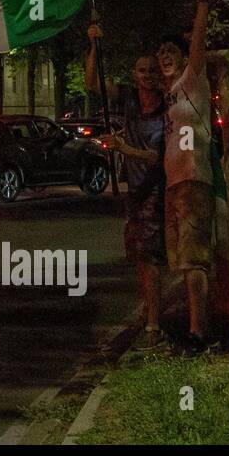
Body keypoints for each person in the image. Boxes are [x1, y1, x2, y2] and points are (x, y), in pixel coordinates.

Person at [86, 26, 167, 350]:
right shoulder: (130, 100)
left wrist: (123, 148)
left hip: (159, 190)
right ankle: (152, 313)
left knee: (151, 258)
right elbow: (92, 84)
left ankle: (154, 324)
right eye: (142, 70)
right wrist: (93, 45)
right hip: (136, 192)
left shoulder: (167, 108)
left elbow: (156, 157)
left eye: (152, 70)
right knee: (140, 257)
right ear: (134, 75)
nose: (147, 76)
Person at [158, 0, 214, 354]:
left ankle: (200, 333)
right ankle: (192, 324)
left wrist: (202, 4)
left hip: (193, 180)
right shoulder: (170, 94)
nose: (165, 57)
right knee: (181, 261)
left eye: (171, 52)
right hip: (174, 185)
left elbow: (197, 43)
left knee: (194, 261)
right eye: (160, 52)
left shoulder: (192, 81)